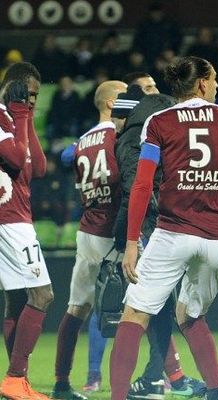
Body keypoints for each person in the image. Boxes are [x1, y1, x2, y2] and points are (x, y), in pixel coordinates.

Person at [109, 56, 218, 400]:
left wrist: (132, 242)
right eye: (216, 79)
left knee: (134, 314)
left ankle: (117, 397)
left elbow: (143, 186)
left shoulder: (158, 122)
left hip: (174, 233)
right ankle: (216, 392)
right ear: (203, 83)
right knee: (190, 315)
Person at [111, 79, 208, 399]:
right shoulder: (165, 132)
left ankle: (149, 382)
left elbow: (133, 190)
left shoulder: (129, 141)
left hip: (148, 232)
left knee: (138, 311)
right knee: (169, 310)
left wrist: (128, 239)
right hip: (178, 226)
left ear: (124, 117)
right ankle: (174, 378)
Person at [54, 80, 127, 400]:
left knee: (76, 310)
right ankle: (156, 378)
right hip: (114, 234)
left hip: (87, 233)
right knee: (142, 309)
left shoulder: (82, 141)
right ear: (111, 104)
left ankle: (61, 382)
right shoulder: (120, 135)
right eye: (125, 99)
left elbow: (68, 159)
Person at [0, 63, 51, 400]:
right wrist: (19, 112)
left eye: (35, 96)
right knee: (43, 295)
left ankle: (18, 382)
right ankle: (15, 377)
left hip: (15, 217)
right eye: (28, 93)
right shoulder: (3, 116)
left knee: (18, 300)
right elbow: (17, 160)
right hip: (10, 220)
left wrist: (26, 117)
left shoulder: (16, 118)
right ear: (14, 88)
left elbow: (39, 167)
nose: (32, 101)